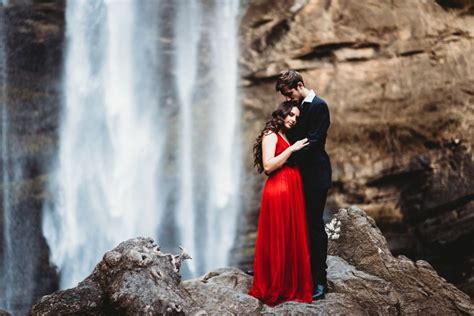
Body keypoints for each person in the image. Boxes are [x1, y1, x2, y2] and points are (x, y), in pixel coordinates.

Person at [248, 100, 313, 305]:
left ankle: (287, 284)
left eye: (296, 117)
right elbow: (268, 166)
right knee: (279, 235)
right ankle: (275, 284)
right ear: (281, 113)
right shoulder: (271, 135)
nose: (293, 119)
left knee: (289, 235)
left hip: (291, 188)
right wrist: (291, 150)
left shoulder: (285, 134)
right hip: (279, 189)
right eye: (290, 115)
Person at [275, 69, 332, 300]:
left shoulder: (319, 106)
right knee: (294, 224)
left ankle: (320, 280)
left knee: (314, 226)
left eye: (289, 94)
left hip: (315, 176)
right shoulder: (293, 107)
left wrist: (284, 161)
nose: (288, 99)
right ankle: (285, 274)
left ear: (299, 85)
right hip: (297, 175)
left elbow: (313, 143)